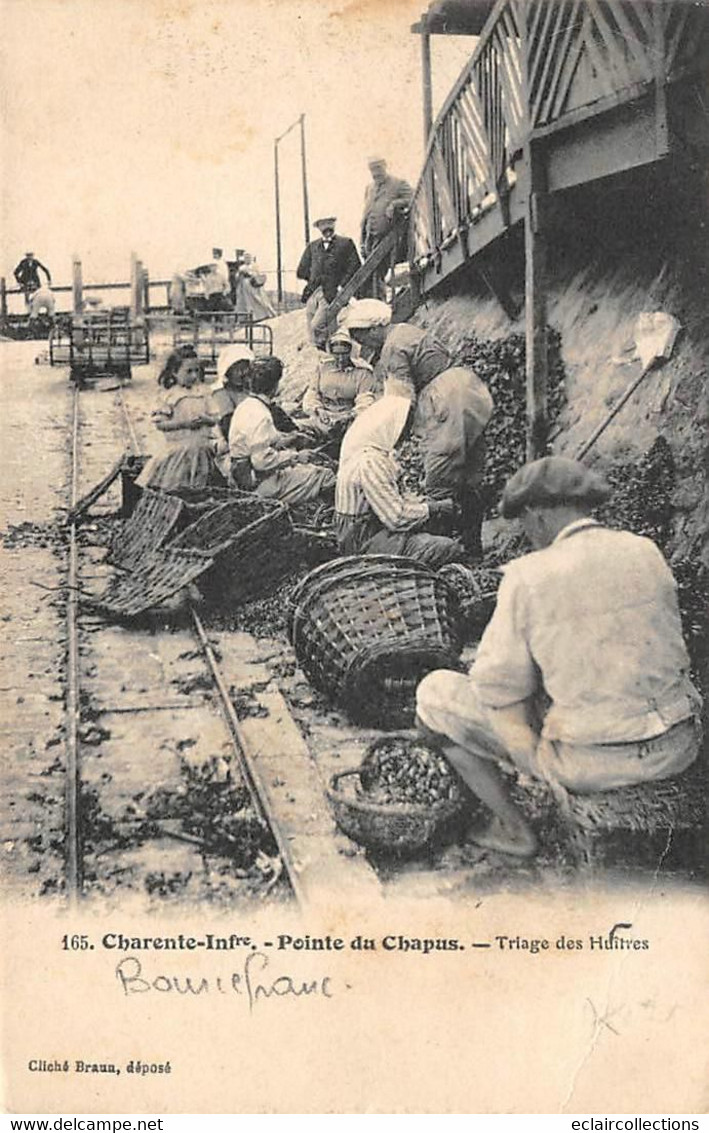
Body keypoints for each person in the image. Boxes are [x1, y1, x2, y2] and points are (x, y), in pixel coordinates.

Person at [416, 456, 703, 858]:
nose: (527, 532)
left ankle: (514, 829)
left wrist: (526, 753)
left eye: (524, 522)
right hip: (676, 747)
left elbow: (496, 688)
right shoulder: (646, 552)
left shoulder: (528, 575)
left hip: (591, 763)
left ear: (537, 515)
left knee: (435, 695)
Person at [342, 299, 494, 556]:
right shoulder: (407, 331)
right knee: (468, 474)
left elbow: (401, 402)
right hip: (467, 387)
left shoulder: (392, 348)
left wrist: (389, 438)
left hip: (444, 398)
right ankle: (472, 544)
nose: (361, 343)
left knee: (440, 477)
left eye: (362, 335)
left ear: (375, 327)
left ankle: (444, 550)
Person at [335, 395, 465, 567]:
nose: (406, 435)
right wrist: (434, 508)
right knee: (445, 548)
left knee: (431, 524)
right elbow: (396, 518)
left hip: (372, 527)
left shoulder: (373, 452)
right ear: (391, 427)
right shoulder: (370, 462)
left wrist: (426, 505)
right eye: (403, 428)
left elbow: (392, 499)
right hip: (363, 539)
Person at [227, 354, 336, 507]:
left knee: (307, 470)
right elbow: (262, 461)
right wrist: (297, 456)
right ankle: (323, 517)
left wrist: (290, 438)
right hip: (258, 483)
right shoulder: (261, 414)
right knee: (326, 475)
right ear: (274, 385)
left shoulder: (246, 406)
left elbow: (259, 442)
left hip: (245, 478)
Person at [137, 346, 223, 492]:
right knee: (178, 487)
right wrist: (185, 424)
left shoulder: (203, 392)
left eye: (197, 370)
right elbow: (161, 424)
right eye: (188, 371)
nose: (194, 376)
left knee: (203, 487)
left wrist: (207, 420)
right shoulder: (170, 395)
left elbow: (216, 417)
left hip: (202, 448)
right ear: (175, 372)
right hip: (179, 450)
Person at [301, 328, 378, 450]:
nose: (341, 358)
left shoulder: (362, 372)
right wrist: (318, 409)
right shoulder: (323, 367)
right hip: (323, 416)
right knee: (298, 429)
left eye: (344, 354)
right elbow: (312, 392)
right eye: (337, 354)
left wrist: (349, 416)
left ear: (351, 352)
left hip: (347, 418)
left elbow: (366, 401)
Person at [296, 217, 361, 350]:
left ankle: (326, 348)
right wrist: (314, 278)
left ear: (334, 225)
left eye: (329, 223)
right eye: (322, 225)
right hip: (313, 292)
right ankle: (324, 353)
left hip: (331, 292)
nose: (327, 227)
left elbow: (355, 266)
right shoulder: (313, 246)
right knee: (313, 328)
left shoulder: (346, 243)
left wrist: (342, 284)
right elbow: (301, 270)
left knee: (317, 325)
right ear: (318, 228)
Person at [360, 157, 413, 296]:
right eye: (372, 170)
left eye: (378, 168)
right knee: (372, 275)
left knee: (378, 272)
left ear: (385, 166)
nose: (375, 173)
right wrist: (362, 240)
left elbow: (412, 198)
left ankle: (381, 304)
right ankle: (378, 305)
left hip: (388, 238)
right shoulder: (369, 188)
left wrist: (395, 204)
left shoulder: (398, 184)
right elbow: (365, 215)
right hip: (370, 239)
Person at [233, 252, 276, 321]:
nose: (247, 259)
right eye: (245, 258)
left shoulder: (255, 266)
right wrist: (240, 274)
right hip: (244, 287)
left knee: (259, 299)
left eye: (248, 257)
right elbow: (237, 277)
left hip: (254, 286)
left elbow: (259, 275)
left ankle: (266, 313)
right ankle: (249, 317)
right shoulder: (242, 267)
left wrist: (251, 274)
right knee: (246, 302)